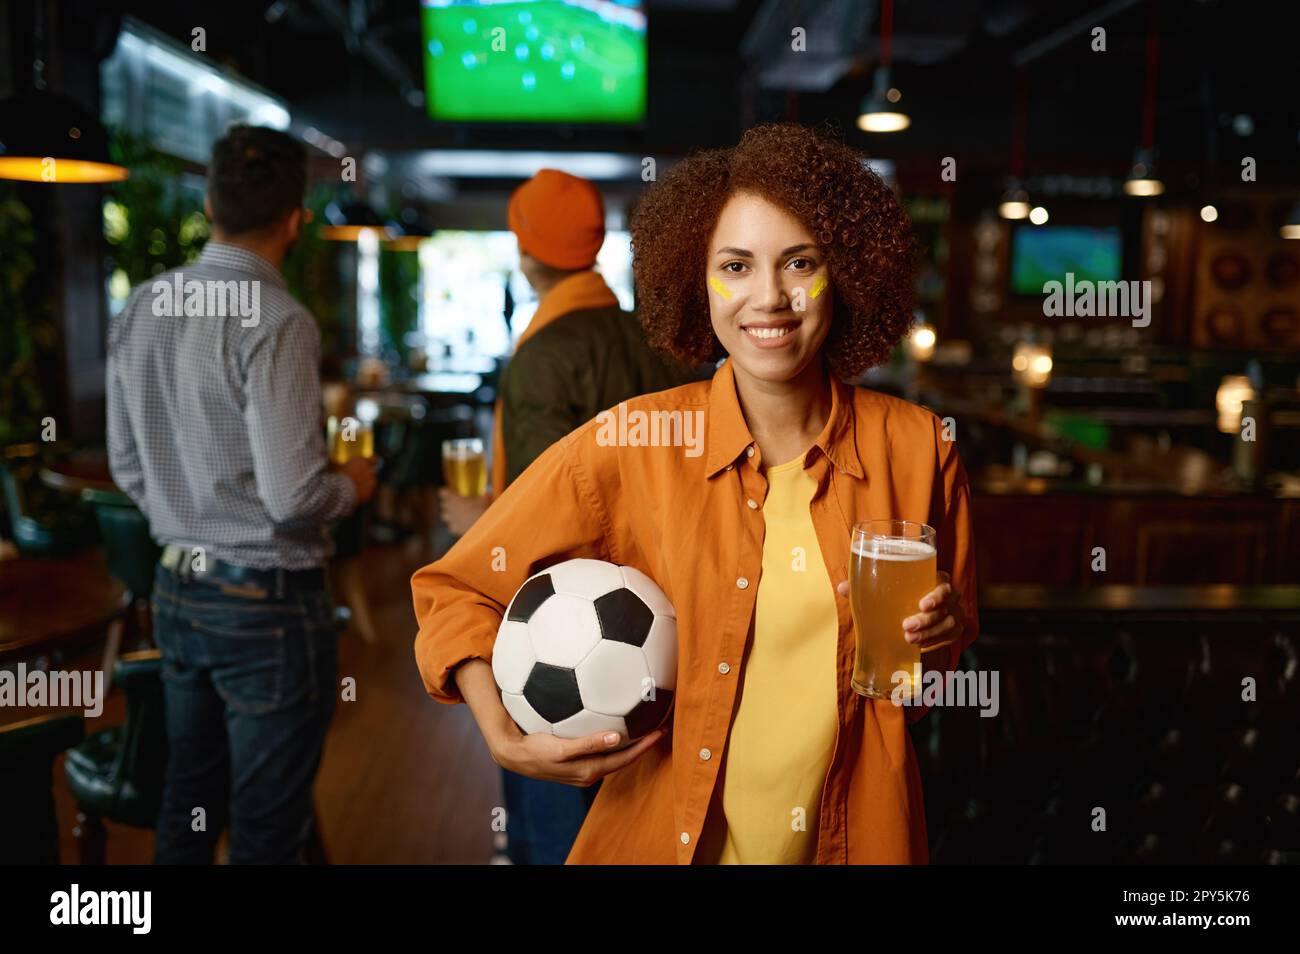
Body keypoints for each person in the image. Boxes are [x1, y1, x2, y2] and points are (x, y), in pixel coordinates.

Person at [413, 122, 978, 864]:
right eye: (735, 266)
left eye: (799, 262)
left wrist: (940, 635)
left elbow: (935, 661)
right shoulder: (630, 443)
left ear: (843, 273)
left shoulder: (919, 447)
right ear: (695, 279)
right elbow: (457, 589)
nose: (768, 297)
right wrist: (501, 732)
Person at [107, 124, 377, 864]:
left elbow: (127, 467)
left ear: (208, 202)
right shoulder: (278, 320)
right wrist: (350, 487)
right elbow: (294, 497)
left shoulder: (141, 306)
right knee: (267, 827)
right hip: (267, 605)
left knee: (188, 799)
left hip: (178, 591)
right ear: (294, 219)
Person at [439, 168, 697, 863]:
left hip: (554, 629)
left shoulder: (542, 355)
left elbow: (536, 515)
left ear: (525, 253)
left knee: (549, 828)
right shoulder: (661, 342)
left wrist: (480, 521)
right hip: (663, 622)